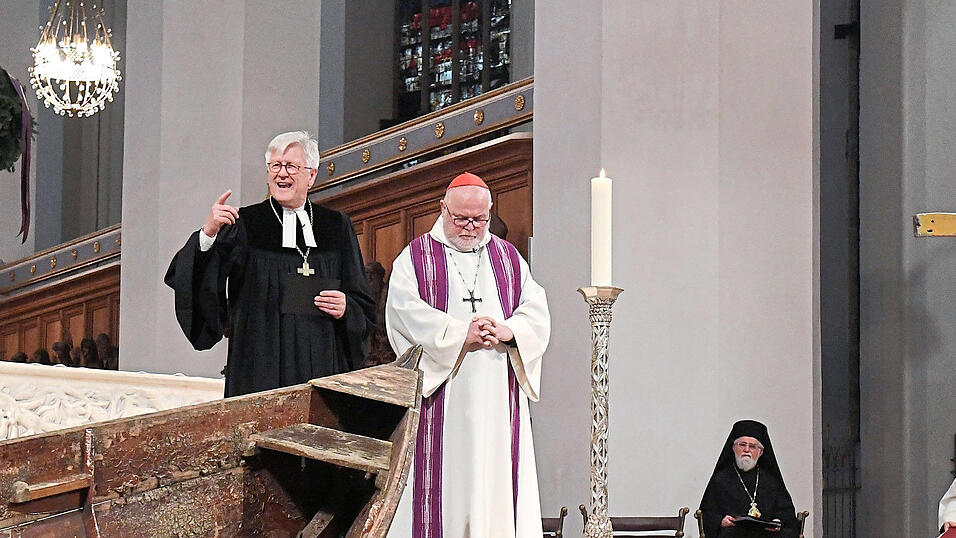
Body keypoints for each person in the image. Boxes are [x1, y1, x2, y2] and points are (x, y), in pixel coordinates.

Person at [385, 172, 551, 537]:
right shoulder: (415, 257)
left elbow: (536, 312)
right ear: (443, 209)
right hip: (442, 395)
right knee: (443, 483)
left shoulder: (508, 257)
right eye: (461, 218)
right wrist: (463, 334)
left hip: (497, 394)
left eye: (480, 219)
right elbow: (404, 313)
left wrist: (510, 331)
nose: (471, 227)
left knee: (495, 482)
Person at [165, 131, 375, 397]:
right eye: (275, 166)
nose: (282, 174)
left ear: (311, 175)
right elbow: (201, 280)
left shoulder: (336, 226)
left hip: (321, 368)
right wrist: (208, 234)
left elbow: (363, 303)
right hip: (258, 368)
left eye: (291, 166)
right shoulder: (245, 224)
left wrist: (347, 308)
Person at [699, 420, 799, 537]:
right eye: (742, 445)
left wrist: (778, 521)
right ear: (733, 448)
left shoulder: (771, 481)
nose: (747, 450)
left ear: (760, 452)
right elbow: (706, 513)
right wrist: (721, 521)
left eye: (752, 446)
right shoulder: (720, 479)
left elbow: (787, 513)